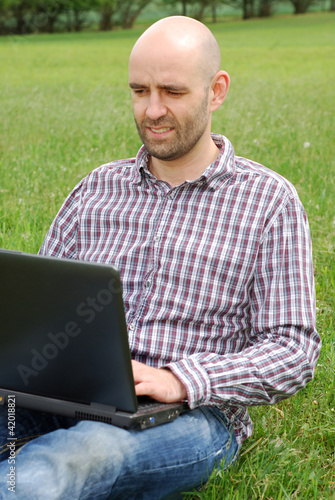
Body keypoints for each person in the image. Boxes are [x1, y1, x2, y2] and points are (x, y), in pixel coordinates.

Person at [0, 16, 321, 500]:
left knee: (57, 466)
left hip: (193, 415)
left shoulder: (269, 201)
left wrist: (181, 379)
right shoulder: (96, 189)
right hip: (69, 394)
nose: (152, 110)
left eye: (172, 91)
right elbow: (38, 315)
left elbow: (294, 351)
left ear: (216, 91)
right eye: (139, 90)